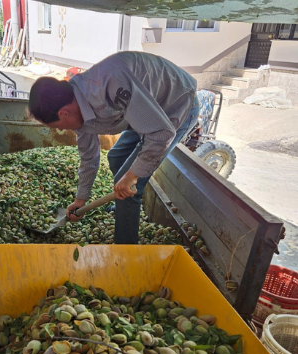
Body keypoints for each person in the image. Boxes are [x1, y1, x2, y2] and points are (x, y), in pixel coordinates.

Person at [27, 51, 201, 244]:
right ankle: (124, 207)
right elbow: (89, 158)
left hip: (175, 106)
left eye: (56, 126)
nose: (59, 130)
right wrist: (81, 198)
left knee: (127, 181)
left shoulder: (109, 84)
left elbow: (161, 134)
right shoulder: (77, 108)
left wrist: (131, 176)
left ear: (63, 113)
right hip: (143, 111)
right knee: (116, 157)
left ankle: (125, 251)